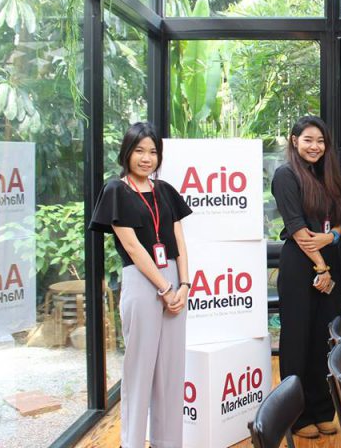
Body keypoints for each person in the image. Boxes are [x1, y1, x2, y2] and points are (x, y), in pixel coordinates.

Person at [89, 122, 192, 448]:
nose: (146, 158)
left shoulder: (166, 190)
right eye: (139, 151)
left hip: (174, 281)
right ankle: (131, 442)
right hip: (142, 280)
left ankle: (168, 442)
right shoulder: (115, 191)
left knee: (171, 372)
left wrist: (184, 284)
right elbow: (133, 247)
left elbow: (179, 241)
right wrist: (165, 288)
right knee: (139, 369)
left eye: (152, 152)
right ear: (127, 153)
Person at [271, 116, 341, 439]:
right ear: (294, 140)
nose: (315, 146)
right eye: (308, 140)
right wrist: (321, 267)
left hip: (328, 259)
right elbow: (298, 228)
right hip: (301, 266)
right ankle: (296, 416)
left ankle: (322, 409)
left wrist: (332, 237)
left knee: (322, 340)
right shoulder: (286, 175)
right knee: (297, 341)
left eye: (320, 141)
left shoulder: (327, 175)